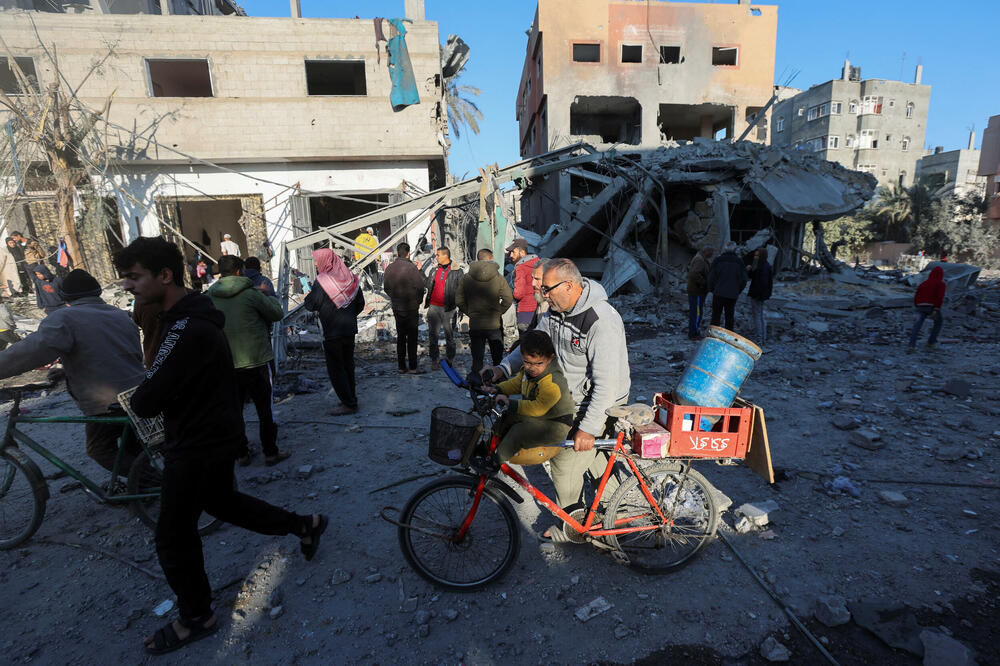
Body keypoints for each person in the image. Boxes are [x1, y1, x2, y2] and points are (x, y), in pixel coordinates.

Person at [113, 236, 327, 656]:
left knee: (173, 537)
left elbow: (146, 397)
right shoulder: (190, 319)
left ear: (165, 275)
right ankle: (305, 524)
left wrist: (150, 384)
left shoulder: (184, 327)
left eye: (134, 277)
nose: (129, 286)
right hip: (213, 433)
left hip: (196, 442)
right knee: (225, 503)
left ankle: (197, 617)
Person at [483, 258, 630, 540]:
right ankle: (616, 513)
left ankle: (573, 526)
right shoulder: (554, 313)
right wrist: (502, 369)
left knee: (565, 460)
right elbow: (533, 346)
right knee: (595, 457)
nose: (542, 294)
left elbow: (607, 386)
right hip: (570, 397)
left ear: (571, 286)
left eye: (548, 288)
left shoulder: (601, 321)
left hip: (599, 403)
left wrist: (587, 428)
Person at [0, 269, 145, 475]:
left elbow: (30, 352)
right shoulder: (119, 314)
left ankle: (152, 483)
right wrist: (67, 371)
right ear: (97, 293)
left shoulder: (65, 318)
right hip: (137, 392)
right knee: (132, 448)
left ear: (65, 297)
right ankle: (141, 491)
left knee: (99, 449)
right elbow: (112, 353)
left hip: (107, 400)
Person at [207, 255, 291, 466]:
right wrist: (267, 295)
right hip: (256, 361)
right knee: (265, 410)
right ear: (238, 271)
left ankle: (241, 453)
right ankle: (270, 453)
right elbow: (277, 313)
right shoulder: (251, 294)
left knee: (234, 411)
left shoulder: (210, 296)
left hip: (227, 365)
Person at [473, 329, 574, 472]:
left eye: (538, 363)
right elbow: (517, 383)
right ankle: (486, 448)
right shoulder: (529, 370)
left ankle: (495, 462)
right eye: (527, 362)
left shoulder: (552, 381)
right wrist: (498, 389)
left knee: (518, 431)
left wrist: (509, 402)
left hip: (556, 423)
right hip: (541, 416)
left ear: (550, 358)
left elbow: (538, 408)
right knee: (505, 417)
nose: (531, 368)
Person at [304, 248, 365, 415]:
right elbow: (360, 303)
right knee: (348, 366)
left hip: (332, 331)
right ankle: (350, 398)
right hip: (349, 330)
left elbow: (311, 304)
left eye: (317, 260)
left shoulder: (322, 281)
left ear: (326, 261)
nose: (316, 263)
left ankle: (349, 403)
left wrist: (309, 296)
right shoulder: (351, 278)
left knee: (336, 368)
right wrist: (349, 315)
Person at [456, 248, 513, 373]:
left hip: (476, 324)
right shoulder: (498, 277)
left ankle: (477, 383)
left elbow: (459, 300)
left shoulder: (467, 278)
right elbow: (508, 299)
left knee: (477, 359)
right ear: (491, 258)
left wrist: (470, 312)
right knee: (497, 359)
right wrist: (498, 312)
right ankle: (497, 384)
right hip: (494, 323)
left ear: (478, 259)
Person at [382, 242, 426, 373]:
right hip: (411, 307)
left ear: (397, 253)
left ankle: (401, 367)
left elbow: (386, 288)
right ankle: (413, 367)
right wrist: (418, 301)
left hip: (397, 307)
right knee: (412, 338)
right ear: (408, 253)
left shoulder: (389, 268)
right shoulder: (412, 268)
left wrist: (395, 298)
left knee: (401, 337)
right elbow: (420, 287)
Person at [423, 246, 462, 367]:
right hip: (433, 308)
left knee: (449, 336)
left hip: (449, 309)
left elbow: (462, 290)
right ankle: (434, 360)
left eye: (438, 255)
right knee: (433, 335)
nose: (436, 257)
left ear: (446, 256)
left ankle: (450, 359)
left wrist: (462, 307)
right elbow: (427, 283)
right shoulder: (434, 270)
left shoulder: (457, 271)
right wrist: (420, 271)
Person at [708, 241, 748, 331]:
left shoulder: (717, 260)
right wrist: (738, 290)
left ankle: (713, 336)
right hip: (732, 294)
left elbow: (711, 277)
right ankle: (728, 336)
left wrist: (712, 289)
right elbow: (744, 280)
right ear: (735, 249)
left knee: (715, 316)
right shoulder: (739, 262)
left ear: (725, 249)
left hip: (718, 293)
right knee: (729, 316)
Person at [907, 265, 946, 352]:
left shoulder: (924, 283)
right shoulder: (941, 284)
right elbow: (940, 297)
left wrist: (917, 305)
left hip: (920, 306)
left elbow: (917, 295)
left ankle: (911, 345)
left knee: (917, 326)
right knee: (938, 322)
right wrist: (936, 309)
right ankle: (931, 342)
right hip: (932, 307)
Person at [507, 238, 539, 334]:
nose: (510, 255)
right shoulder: (538, 263)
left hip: (525, 312)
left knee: (525, 343)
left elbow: (518, 294)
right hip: (539, 311)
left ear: (521, 252)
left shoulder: (521, 267)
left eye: (513, 252)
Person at [745, 247, 773, 345]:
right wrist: (750, 271)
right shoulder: (762, 266)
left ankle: (760, 338)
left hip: (758, 295)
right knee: (759, 315)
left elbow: (763, 283)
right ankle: (762, 337)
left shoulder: (763, 267)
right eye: (755, 255)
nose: (755, 257)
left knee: (758, 316)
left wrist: (757, 295)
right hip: (760, 295)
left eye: (757, 255)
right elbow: (754, 277)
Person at [686, 246, 713, 339]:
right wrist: (703, 283)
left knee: (696, 312)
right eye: (711, 252)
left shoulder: (701, 259)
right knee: (696, 313)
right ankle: (694, 333)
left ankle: (694, 331)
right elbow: (694, 274)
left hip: (698, 291)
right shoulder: (700, 260)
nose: (712, 254)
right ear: (707, 251)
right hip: (696, 291)